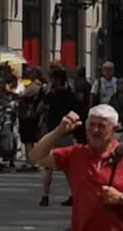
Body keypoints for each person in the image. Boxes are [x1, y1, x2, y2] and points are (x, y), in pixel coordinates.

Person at [29, 102, 123, 231]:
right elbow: (35, 157)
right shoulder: (75, 154)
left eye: (101, 126)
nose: (95, 130)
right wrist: (59, 131)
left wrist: (120, 198)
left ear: (114, 129)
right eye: (91, 125)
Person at [39, 66, 76, 207]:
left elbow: (39, 108)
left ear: (57, 80)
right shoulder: (70, 95)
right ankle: (72, 195)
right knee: (68, 167)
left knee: (48, 166)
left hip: (52, 132)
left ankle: (45, 196)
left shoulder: (51, 95)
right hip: (66, 132)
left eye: (52, 78)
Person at [15, 66, 43, 168]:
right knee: (29, 139)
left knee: (28, 139)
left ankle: (30, 161)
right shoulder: (35, 85)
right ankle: (30, 160)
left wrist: (12, 91)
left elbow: (21, 95)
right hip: (30, 115)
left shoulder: (34, 86)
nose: (29, 74)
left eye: (31, 72)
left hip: (28, 116)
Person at [73, 66, 92, 144]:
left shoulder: (80, 84)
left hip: (80, 111)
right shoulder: (88, 84)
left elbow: (80, 98)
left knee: (79, 133)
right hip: (86, 110)